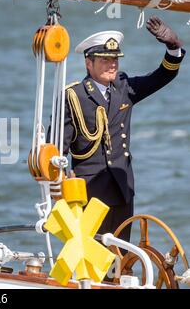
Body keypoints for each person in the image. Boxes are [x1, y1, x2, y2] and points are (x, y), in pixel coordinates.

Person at [60, 16, 185, 242]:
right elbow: (58, 149)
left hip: (122, 189)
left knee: (120, 259)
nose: (112, 65)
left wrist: (173, 48)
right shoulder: (74, 96)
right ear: (89, 63)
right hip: (89, 193)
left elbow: (162, 76)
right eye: (105, 60)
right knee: (89, 259)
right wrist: (61, 186)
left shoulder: (123, 88)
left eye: (115, 59)